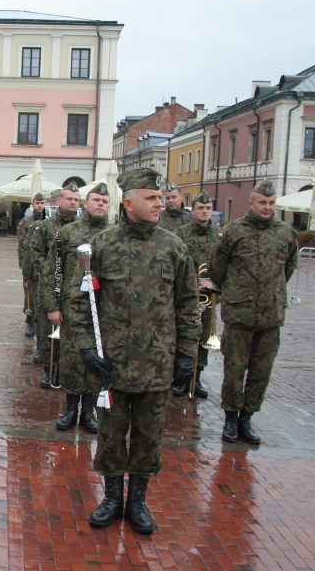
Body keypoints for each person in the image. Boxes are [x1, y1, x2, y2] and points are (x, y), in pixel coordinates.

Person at [70, 168, 199, 535]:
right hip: (112, 363)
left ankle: (138, 501)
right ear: (129, 203)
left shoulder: (173, 246)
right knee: (111, 434)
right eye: (152, 199)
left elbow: (189, 304)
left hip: (157, 362)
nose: (160, 204)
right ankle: (112, 498)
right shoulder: (103, 246)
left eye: (161, 199)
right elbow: (81, 302)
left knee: (148, 436)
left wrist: (187, 354)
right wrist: (86, 350)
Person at [209, 180, 298, 444]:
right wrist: (237, 293)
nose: (267, 208)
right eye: (262, 203)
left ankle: (247, 418)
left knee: (261, 371)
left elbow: (289, 268)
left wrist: (272, 294)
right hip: (240, 314)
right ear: (250, 203)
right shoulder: (233, 232)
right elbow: (217, 269)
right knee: (234, 370)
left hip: (271, 316)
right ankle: (231, 419)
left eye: (271, 203)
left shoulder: (285, 233)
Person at [45, 184, 111, 433]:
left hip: (103, 312)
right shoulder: (68, 232)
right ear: (86, 203)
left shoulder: (114, 235)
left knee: (97, 361)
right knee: (72, 361)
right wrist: (52, 305)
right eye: (96, 200)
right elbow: (54, 270)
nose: (100, 204)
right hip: (72, 308)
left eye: (105, 201)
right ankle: (70, 408)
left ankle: (89, 411)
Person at [32, 184, 80, 388]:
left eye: (76, 200)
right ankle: (48, 369)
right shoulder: (46, 226)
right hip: (51, 285)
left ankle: (66, 371)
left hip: (75, 288)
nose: (73, 202)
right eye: (69, 198)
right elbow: (35, 252)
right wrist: (53, 271)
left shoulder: (81, 228)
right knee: (47, 329)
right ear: (58, 201)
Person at [173, 189, 217, 397]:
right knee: (182, 333)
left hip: (209, 298)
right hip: (186, 294)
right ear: (193, 211)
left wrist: (215, 284)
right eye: (201, 208)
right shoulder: (182, 233)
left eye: (208, 208)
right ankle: (180, 377)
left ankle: (196, 378)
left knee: (204, 336)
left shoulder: (219, 235)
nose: (204, 212)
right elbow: (177, 263)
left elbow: (224, 266)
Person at [18, 193, 48, 339]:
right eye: (37, 203)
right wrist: (24, 266)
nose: (40, 205)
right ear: (33, 204)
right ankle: (30, 320)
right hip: (31, 265)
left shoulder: (49, 221)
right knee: (29, 295)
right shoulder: (26, 222)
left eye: (42, 203)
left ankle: (39, 322)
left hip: (44, 267)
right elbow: (23, 246)